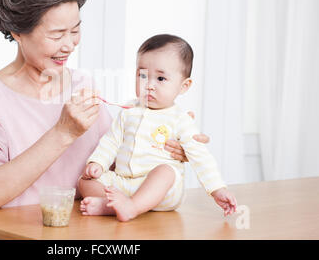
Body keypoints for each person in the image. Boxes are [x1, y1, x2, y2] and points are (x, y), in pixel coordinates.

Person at [0, 0, 206, 211]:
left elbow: (116, 166)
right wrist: (63, 132)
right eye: (57, 34)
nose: (69, 45)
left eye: (75, 30)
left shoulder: (82, 85)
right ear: (17, 32)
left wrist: (167, 143)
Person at [79, 34, 237, 221]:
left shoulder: (181, 120)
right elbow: (111, 142)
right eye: (143, 75)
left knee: (165, 172)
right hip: (124, 183)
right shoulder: (128, 111)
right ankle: (112, 205)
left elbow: (201, 157)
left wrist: (217, 189)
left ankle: (132, 207)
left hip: (161, 192)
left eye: (161, 79)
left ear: (183, 86)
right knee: (85, 181)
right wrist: (97, 163)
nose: (149, 85)